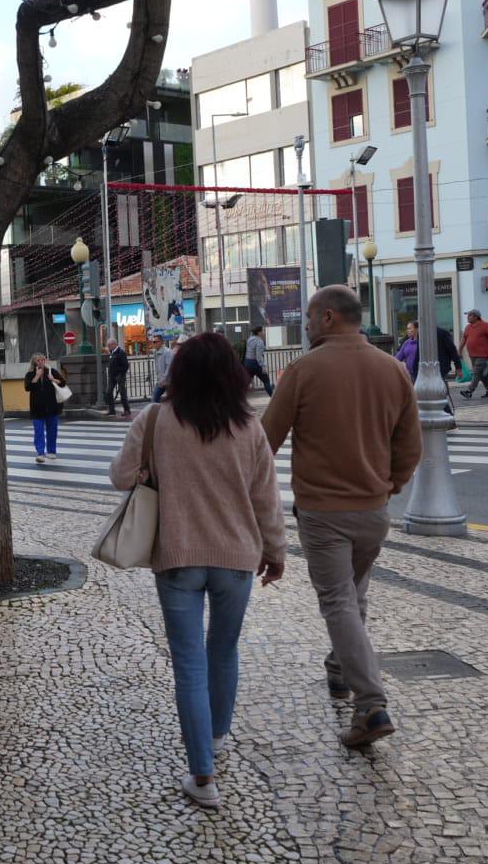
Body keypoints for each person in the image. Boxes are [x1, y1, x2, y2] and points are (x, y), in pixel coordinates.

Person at [110, 333, 286, 810]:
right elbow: (266, 501)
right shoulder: (249, 427)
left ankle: (202, 775)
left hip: (178, 555)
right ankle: (219, 735)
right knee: (223, 649)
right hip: (237, 560)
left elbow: (120, 476)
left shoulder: (155, 420)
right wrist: (277, 553)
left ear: (179, 372)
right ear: (232, 374)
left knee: (189, 664)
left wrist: (154, 468)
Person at [262, 285, 421, 749]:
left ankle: (370, 703)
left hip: (324, 513)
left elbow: (265, 441)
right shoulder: (393, 371)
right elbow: (410, 446)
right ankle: (338, 667)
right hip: (374, 511)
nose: (307, 326)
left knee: (338, 602)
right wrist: (389, 485)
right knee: (354, 595)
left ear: (329, 317)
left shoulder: (304, 371)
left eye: (310, 319)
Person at [23, 353, 67, 464]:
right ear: (34, 362)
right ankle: (40, 453)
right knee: (39, 431)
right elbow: (27, 388)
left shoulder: (51, 371)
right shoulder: (30, 374)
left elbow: (63, 383)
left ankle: (51, 451)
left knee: (52, 430)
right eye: (39, 360)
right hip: (37, 408)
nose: (41, 362)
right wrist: (37, 376)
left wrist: (53, 379)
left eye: (43, 360)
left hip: (52, 407)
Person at [458, 309, 488, 399]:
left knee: (476, 373)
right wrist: (459, 350)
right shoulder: (468, 327)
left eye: (469, 315)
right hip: (472, 355)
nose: (467, 317)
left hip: (483, 355)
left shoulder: (485, 325)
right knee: (481, 375)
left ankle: (469, 391)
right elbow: (463, 339)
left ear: (476, 316)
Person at [242, 326, 274, 397]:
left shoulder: (250, 339)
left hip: (247, 363)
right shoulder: (260, 342)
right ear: (259, 332)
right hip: (255, 363)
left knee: (246, 383)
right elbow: (258, 356)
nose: (264, 332)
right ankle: (274, 399)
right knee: (266, 381)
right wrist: (263, 366)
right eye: (263, 331)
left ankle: (237, 400)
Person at [105, 338, 131, 419]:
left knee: (122, 393)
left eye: (109, 345)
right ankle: (111, 410)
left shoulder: (121, 352)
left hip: (119, 376)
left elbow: (125, 365)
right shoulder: (112, 352)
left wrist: (121, 374)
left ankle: (126, 409)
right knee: (108, 392)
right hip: (112, 376)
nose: (108, 347)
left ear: (113, 344)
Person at [150, 334, 176, 404]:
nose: (153, 343)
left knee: (172, 401)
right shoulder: (155, 352)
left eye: (155, 342)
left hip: (169, 381)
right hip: (161, 381)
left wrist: (163, 380)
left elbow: (169, 367)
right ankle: (156, 413)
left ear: (161, 342)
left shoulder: (168, 352)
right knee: (154, 399)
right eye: (152, 342)